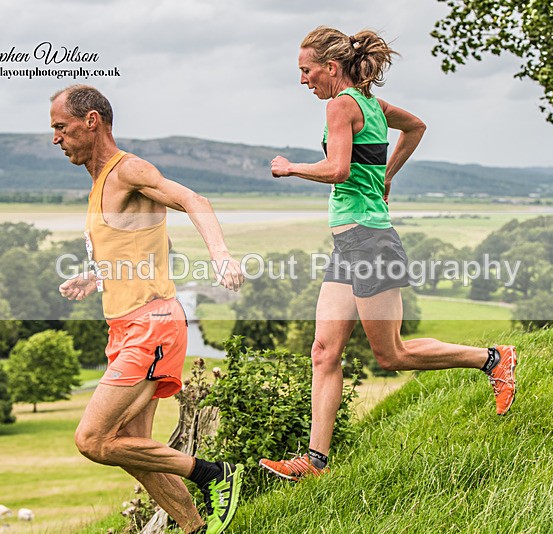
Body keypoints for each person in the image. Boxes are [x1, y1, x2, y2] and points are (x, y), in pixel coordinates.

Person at [258, 27, 518, 481]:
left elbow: (338, 167)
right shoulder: (372, 106)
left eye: (306, 70)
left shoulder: (340, 105)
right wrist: (386, 176)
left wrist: (291, 167)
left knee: (392, 355)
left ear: (330, 68)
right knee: (323, 351)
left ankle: (493, 359)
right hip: (349, 242)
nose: (303, 80)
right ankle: (315, 463)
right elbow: (416, 126)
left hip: (369, 241)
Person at [51, 84, 244, 534]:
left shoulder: (128, 170)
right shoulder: (100, 183)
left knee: (93, 439)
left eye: (61, 128)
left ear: (91, 121)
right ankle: (196, 527)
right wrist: (96, 274)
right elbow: (152, 242)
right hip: (124, 328)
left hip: (150, 326)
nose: (56, 139)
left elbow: (195, 200)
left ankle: (213, 474)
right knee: (135, 450)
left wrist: (221, 255)